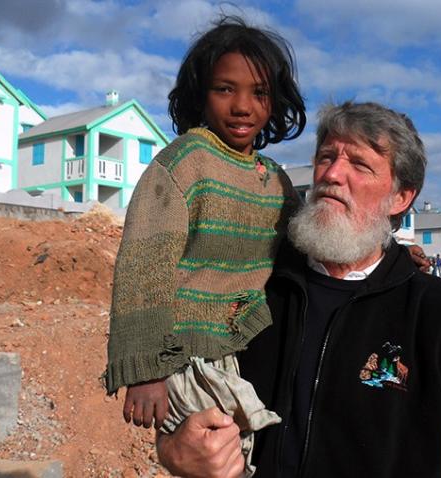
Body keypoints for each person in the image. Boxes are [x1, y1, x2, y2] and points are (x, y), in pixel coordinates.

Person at [157, 101, 441, 478]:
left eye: (359, 164)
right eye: (327, 157)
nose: (331, 174)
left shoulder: (435, 311)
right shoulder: (254, 284)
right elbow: (187, 394)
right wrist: (175, 451)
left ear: (401, 197)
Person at [104, 15, 306, 476]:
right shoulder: (184, 163)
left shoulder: (274, 177)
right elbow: (145, 269)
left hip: (243, 347)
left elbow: (303, 243)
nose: (243, 106)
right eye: (224, 89)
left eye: (259, 93)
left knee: (247, 459)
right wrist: (147, 372)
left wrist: (392, 254)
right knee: (216, 462)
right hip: (187, 356)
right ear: (200, 93)